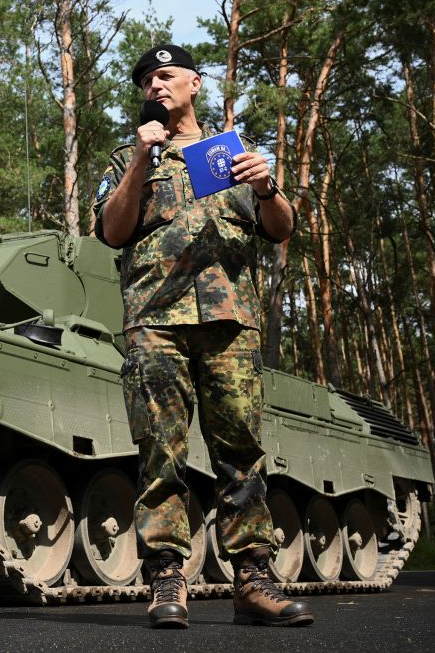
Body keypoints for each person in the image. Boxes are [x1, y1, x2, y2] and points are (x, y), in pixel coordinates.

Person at [91, 44, 313, 629]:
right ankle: (167, 580)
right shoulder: (125, 159)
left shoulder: (232, 154)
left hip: (230, 323)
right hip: (154, 324)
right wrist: (143, 158)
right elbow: (113, 233)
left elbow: (279, 228)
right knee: (160, 452)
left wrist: (266, 188)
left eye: (166, 77)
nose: (155, 87)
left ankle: (252, 582)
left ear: (195, 83)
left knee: (241, 454)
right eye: (146, 82)